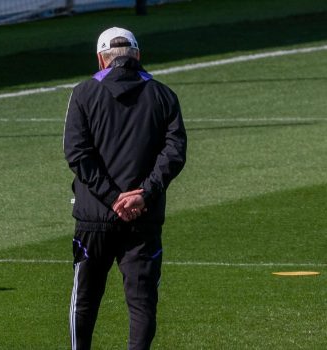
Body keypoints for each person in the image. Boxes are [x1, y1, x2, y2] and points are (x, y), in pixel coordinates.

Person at [63, 27, 187, 350]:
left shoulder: (83, 93)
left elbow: (77, 154)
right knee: (142, 303)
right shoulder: (164, 95)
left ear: (101, 59)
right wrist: (144, 194)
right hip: (143, 220)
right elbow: (175, 153)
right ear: (138, 56)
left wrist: (112, 197)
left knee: (85, 300)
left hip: (94, 219)